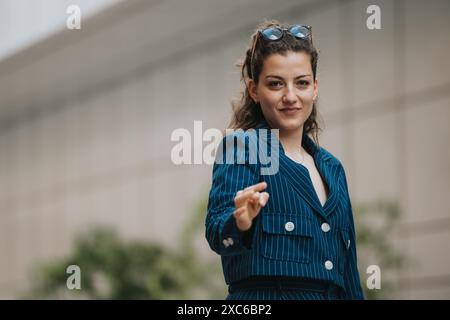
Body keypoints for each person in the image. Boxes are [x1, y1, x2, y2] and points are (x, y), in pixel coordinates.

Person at [205, 20, 364, 300]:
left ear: (314, 88)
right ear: (254, 90)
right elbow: (219, 235)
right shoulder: (242, 147)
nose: (290, 96)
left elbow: (348, 272)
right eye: (276, 84)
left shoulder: (333, 168)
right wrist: (239, 222)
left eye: (301, 83)